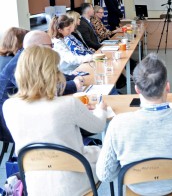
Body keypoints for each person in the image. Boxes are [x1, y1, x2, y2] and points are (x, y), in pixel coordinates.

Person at [96, 53, 172, 194]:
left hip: (136, 188)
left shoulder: (118, 124)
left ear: (137, 89)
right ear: (168, 86)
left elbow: (104, 175)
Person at [3, 46, 107, 195]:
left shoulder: (9, 107)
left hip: (34, 185)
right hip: (72, 184)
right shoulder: (68, 105)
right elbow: (98, 126)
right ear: (51, 73)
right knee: (103, 153)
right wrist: (101, 110)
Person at [0, 31, 84, 144]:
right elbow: (42, 90)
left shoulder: (33, 58)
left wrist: (74, 77)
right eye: (51, 45)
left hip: (31, 113)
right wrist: (74, 85)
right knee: (71, 123)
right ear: (39, 46)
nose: (53, 49)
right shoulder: (20, 64)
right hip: (15, 125)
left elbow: (55, 75)